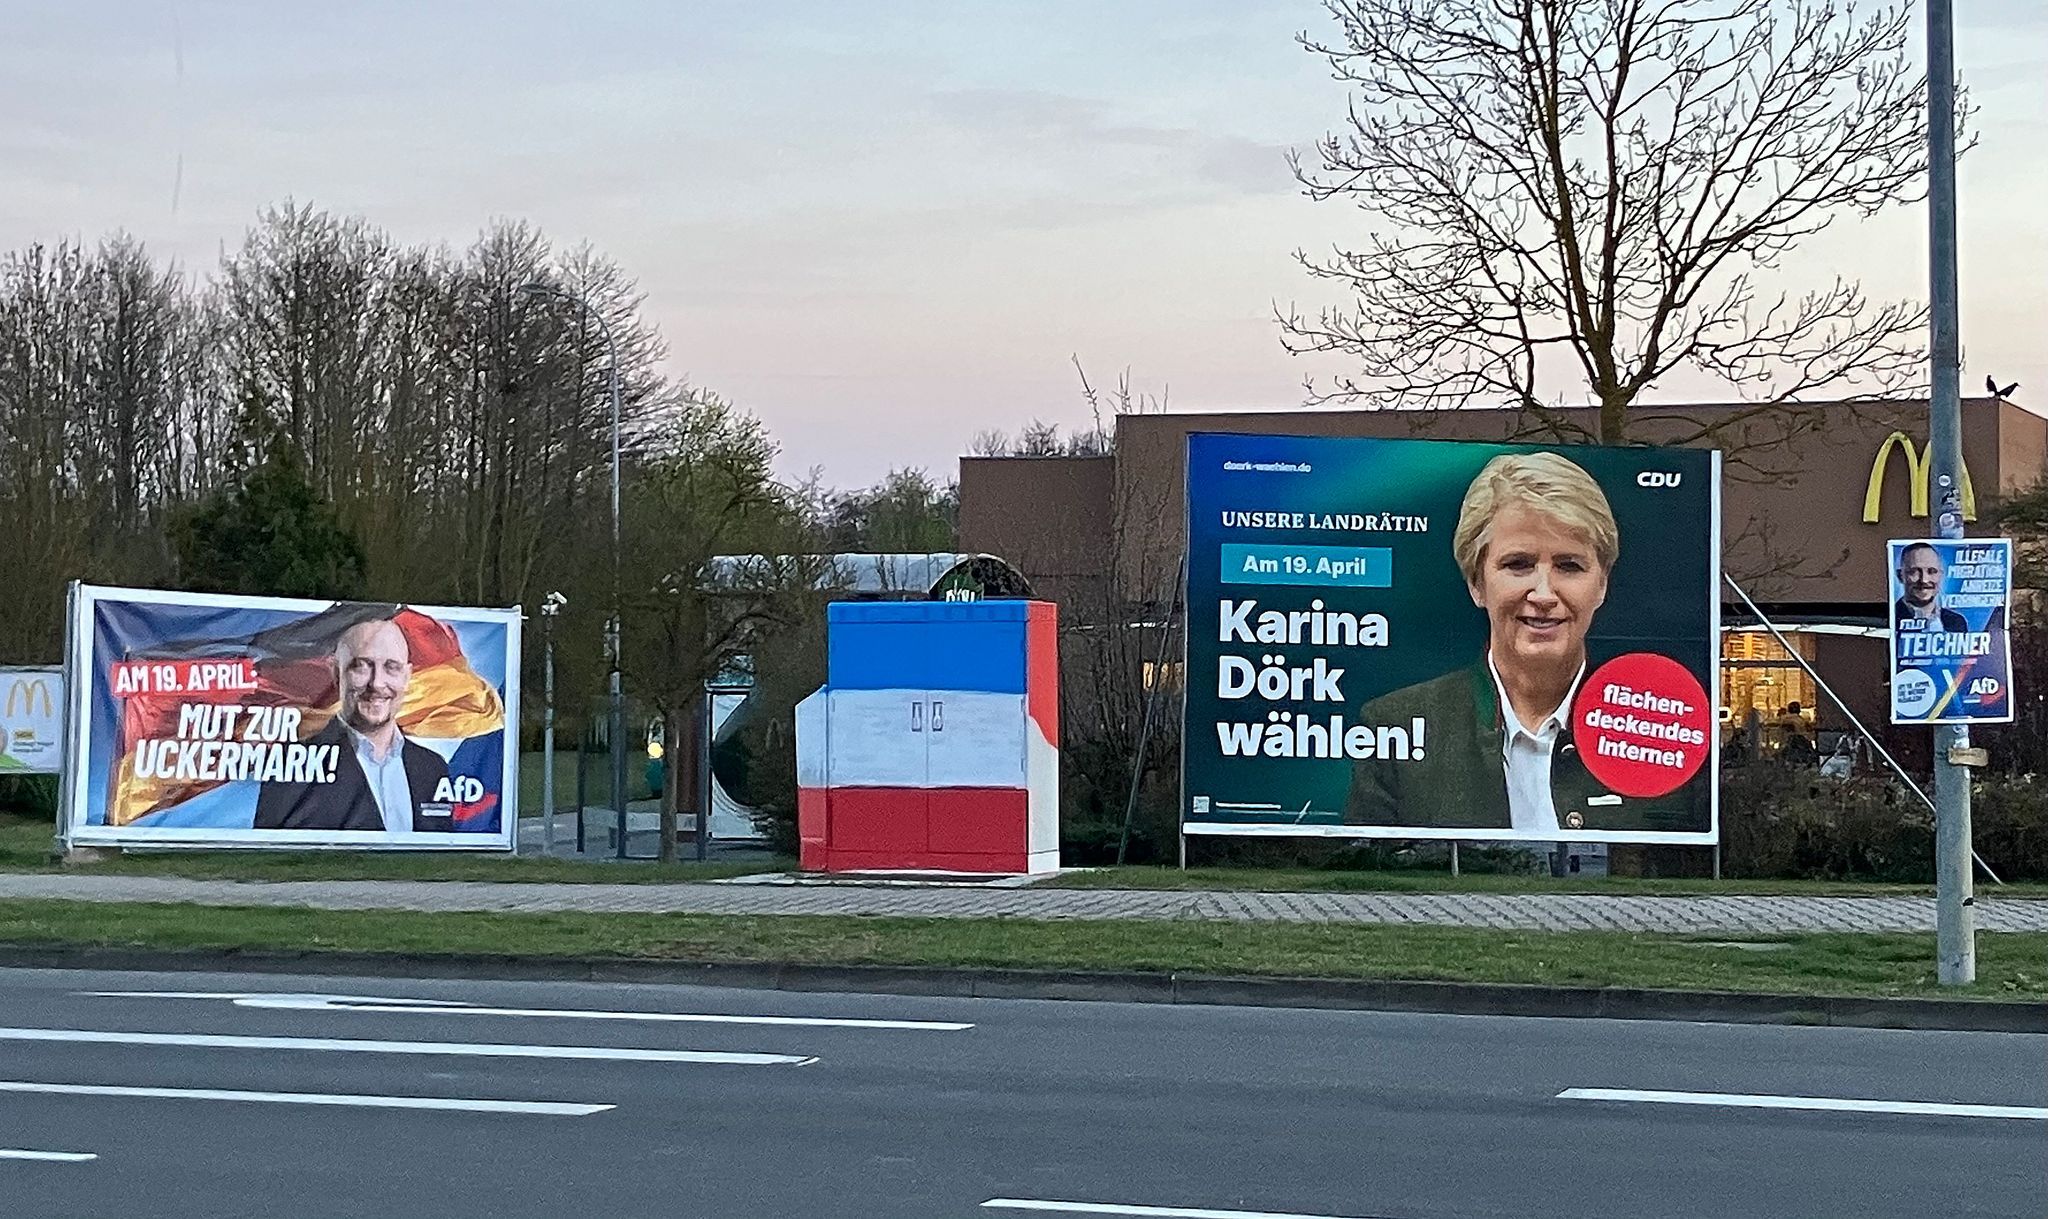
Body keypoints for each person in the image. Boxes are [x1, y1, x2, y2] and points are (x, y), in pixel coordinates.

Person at [1344, 451, 1702, 834]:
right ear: (1476, 583)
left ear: (1602, 583)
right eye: (1518, 564)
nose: (1544, 594)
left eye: (1569, 566)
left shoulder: (1663, 725)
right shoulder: (1396, 725)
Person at [254, 616, 451, 831]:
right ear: (336, 673)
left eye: (391, 667)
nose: (377, 683)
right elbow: (276, 857)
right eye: (361, 666)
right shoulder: (293, 763)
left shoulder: (432, 768)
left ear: (406, 676)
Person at [1893, 542, 1968, 632]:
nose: (1924, 580)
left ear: (1940, 575)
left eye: (1932, 571)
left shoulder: (1956, 622)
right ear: (1900, 576)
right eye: (1914, 572)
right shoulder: (1891, 619)